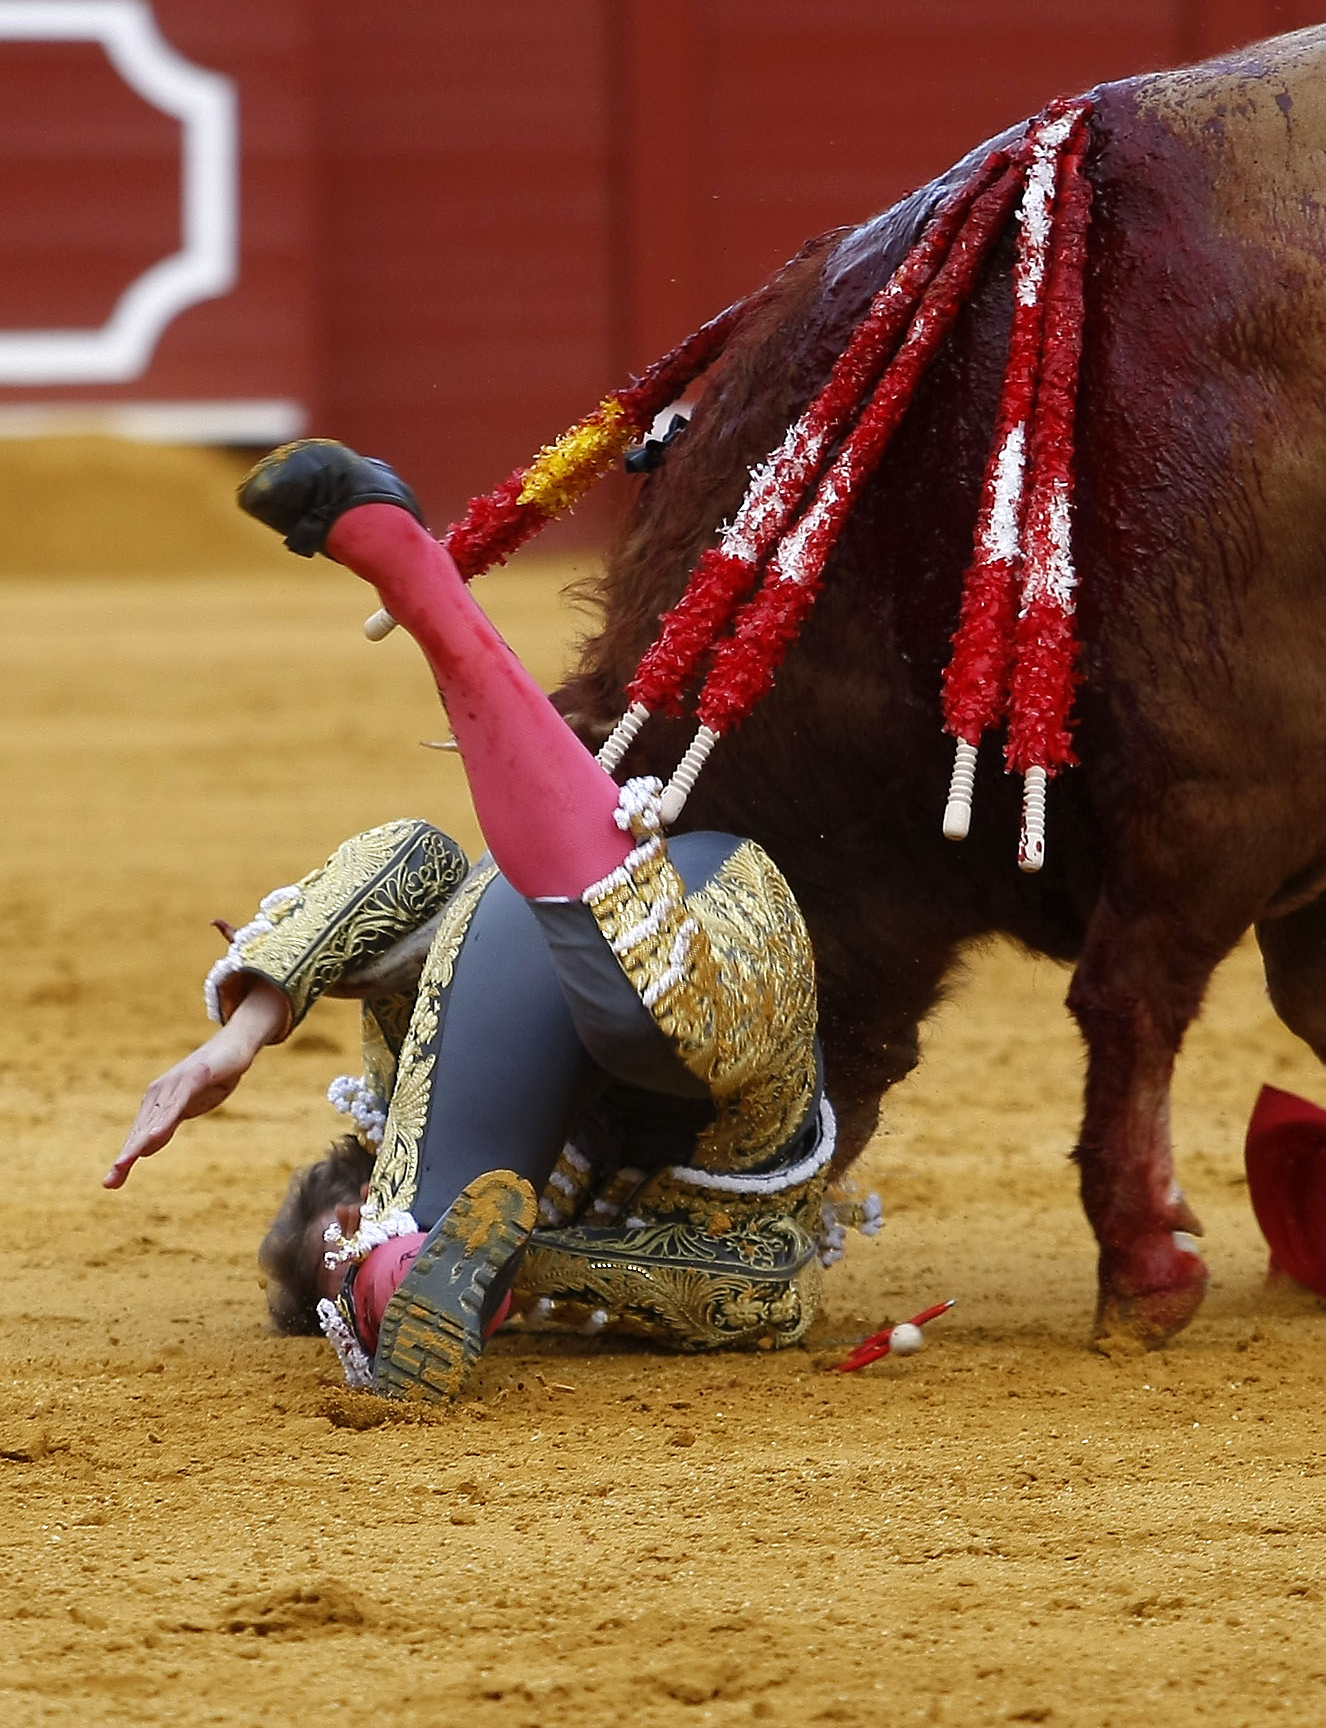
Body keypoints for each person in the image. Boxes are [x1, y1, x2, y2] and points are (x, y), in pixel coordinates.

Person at [107, 440, 861, 1402]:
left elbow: (409, 855)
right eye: (345, 1271)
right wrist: (512, 1271)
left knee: (620, 1007)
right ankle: (402, 1295)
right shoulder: (642, 1270)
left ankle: (432, 599)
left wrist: (245, 1031)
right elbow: (756, 1293)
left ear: (350, 1179)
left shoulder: (414, 1084)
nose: (348, 1249)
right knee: (650, 1025)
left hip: (634, 906)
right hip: (731, 1010)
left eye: (340, 1246)